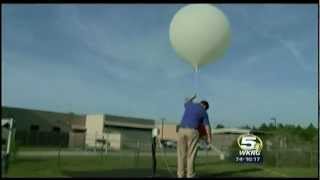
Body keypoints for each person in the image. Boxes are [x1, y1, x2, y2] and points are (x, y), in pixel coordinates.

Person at [177, 94, 212, 178]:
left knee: (181, 155)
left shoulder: (190, 105)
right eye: (206, 108)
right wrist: (209, 138)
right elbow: (207, 126)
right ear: (204, 106)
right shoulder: (203, 111)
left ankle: (180, 175)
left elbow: (186, 100)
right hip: (192, 131)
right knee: (191, 155)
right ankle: (190, 175)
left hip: (181, 130)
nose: (205, 110)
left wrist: (193, 97)